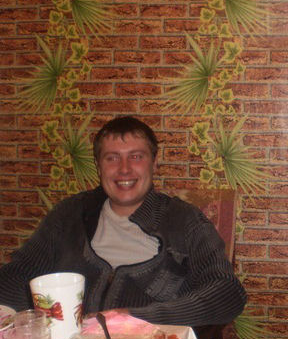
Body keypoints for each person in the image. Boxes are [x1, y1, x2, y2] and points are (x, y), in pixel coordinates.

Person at [0, 116, 247, 328]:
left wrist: (134, 319)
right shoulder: (70, 214)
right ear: (99, 166)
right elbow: (16, 276)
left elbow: (227, 292)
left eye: (136, 156)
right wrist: (37, 318)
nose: (124, 169)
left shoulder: (184, 220)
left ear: (154, 162)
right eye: (112, 158)